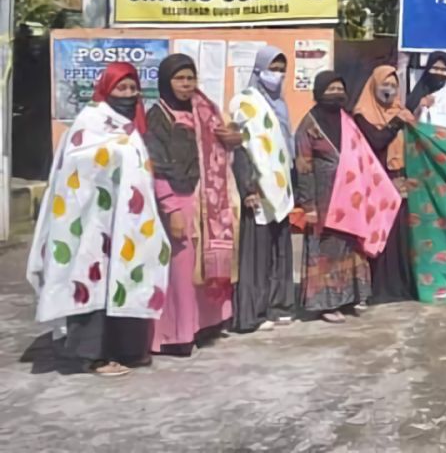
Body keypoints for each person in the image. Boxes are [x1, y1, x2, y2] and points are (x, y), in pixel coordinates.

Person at [27, 63, 170, 376]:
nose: (129, 95)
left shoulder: (127, 125)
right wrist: (114, 154)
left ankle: (125, 349)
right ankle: (91, 355)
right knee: (90, 281)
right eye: (122, 89)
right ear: (106, 89)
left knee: (125, 277)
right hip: (91, 220)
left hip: (125, 220)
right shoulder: (90, 121)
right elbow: (78, 161)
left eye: (133, 89)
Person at [145, 54, 241, 355]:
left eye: (191, 78)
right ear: (166, 81)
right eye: (180, 79)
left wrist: (233, 139)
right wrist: (170, 207)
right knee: (181, 270)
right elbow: (155, 164)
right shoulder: (157, 116)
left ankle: (206, 325)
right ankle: (176, 335)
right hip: (178, 198)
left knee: (203, 266)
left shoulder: (206, 111)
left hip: (208, 198)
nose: (187, 85)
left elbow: (225, 147)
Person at [295, 72, 372, 322]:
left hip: (350, 197)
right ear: (319, 92)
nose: (336, 93)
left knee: (349, 246)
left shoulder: (346, 120)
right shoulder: (309, 124)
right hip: (324, 196)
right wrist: (308, 204)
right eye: (330, 89)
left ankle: (350, 296)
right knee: (327, 248)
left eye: (340, 88)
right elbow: (303, 165)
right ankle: (327, 304)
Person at [229, 46, 295, 333]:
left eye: (281, 70)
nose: (277, 75)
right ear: (258, 70)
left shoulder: (279, 105)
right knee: (255, 255)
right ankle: (252, 312)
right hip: (257, 187)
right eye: (272, 68)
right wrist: (248, 187)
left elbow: (284, 147)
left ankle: (277, 305)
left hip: (280, 187)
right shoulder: (244, 102)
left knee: (279, 251)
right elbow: (241, 148)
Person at [353, 65, 417, 304]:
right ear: (373, 86)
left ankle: (400, 288)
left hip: (400, 184)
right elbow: (376, 141)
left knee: (400, 238)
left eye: (393, 85)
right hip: (376, 184)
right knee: (380, 238)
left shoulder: (400, 112)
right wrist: (395, 124)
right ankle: (379, 290)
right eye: (384, 85)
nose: (388, 90)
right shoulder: (362, 113)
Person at [406, 51, 446, 119]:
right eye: (435, 68)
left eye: (443, 69)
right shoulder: (416, 95)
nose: (439, 72)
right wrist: (420, 107)